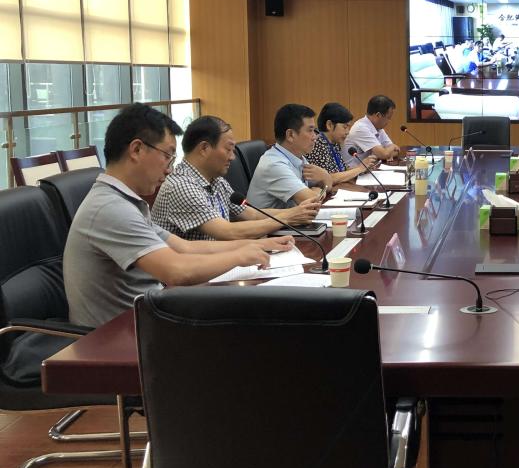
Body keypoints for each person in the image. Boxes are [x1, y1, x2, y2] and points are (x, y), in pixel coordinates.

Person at [64, 104, 291, 328]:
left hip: (148, 319)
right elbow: (177, 271)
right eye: (167, 156)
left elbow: (185, 247)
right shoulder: (111, 208)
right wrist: (239, 256)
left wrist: (257, 245)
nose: (169, 169)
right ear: (137, 150)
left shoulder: (124, 201)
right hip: (119, 337)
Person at [153, 115, 319, 240]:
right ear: (204, 148)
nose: (233, 157)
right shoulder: (181, 185)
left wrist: (296, 212)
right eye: (228, 149)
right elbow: (228, 231)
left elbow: (252, 215)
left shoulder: (216, 180)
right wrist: (289, 217)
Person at [247, 103, 332, 209]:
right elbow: (313, 201)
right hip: (272, 220)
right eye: (310, 130)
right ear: (290, 135)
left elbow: (327, 185)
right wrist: (321, 187)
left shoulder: (298, 157)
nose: (315, 137)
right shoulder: (274, 165)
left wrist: (325, 177)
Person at [306, 102, 379, 187]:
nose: (348, 132)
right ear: (329, 125)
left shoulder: (334, 143)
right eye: (345, 127)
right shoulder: (318, 144)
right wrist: (360, 168)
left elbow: (342, 170)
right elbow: (329, 178)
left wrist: (363, 168)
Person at [344, 94, 402, 164]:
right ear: (378, 115)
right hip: (355, 170)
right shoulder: (360, 128)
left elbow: (396, 151)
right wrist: (391, 148)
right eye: (388, 118)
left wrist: (386, 153)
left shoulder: (378, 128)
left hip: (368, 168)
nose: (389, 121)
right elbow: (384, 154)